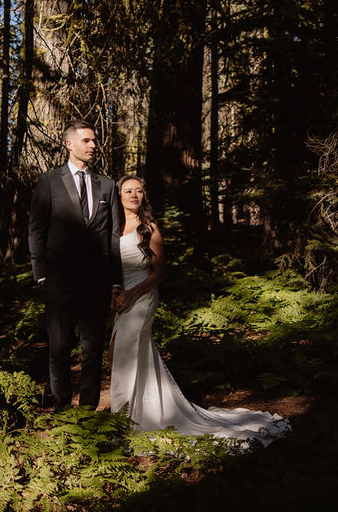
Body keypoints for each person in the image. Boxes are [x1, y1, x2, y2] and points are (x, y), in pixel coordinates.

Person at [109, 175, 291, 445]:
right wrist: (114, 292)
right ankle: (139, 411)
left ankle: (124, 425)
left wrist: (132, 294)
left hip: (143, 296)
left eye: (139, 191)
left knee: (124, 349)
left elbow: (160, 272)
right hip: (121, 298)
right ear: (119, 195)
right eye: (128, 191)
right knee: (119, 353)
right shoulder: (112, 227)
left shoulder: (149, 227)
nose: (134, 195)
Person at [28, 120, 121, 411]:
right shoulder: (49, 181)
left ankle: (88, 411)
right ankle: (62, 409)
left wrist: (116, 280)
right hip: (58, 281)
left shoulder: (107, 185)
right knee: (59, 348)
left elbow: (114, 235)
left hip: (97, 281)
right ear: (69, 144)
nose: (93, 145)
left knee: (92, 350)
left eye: (94, 141)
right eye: (87, 140)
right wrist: (41, 275)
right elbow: (36, 230)